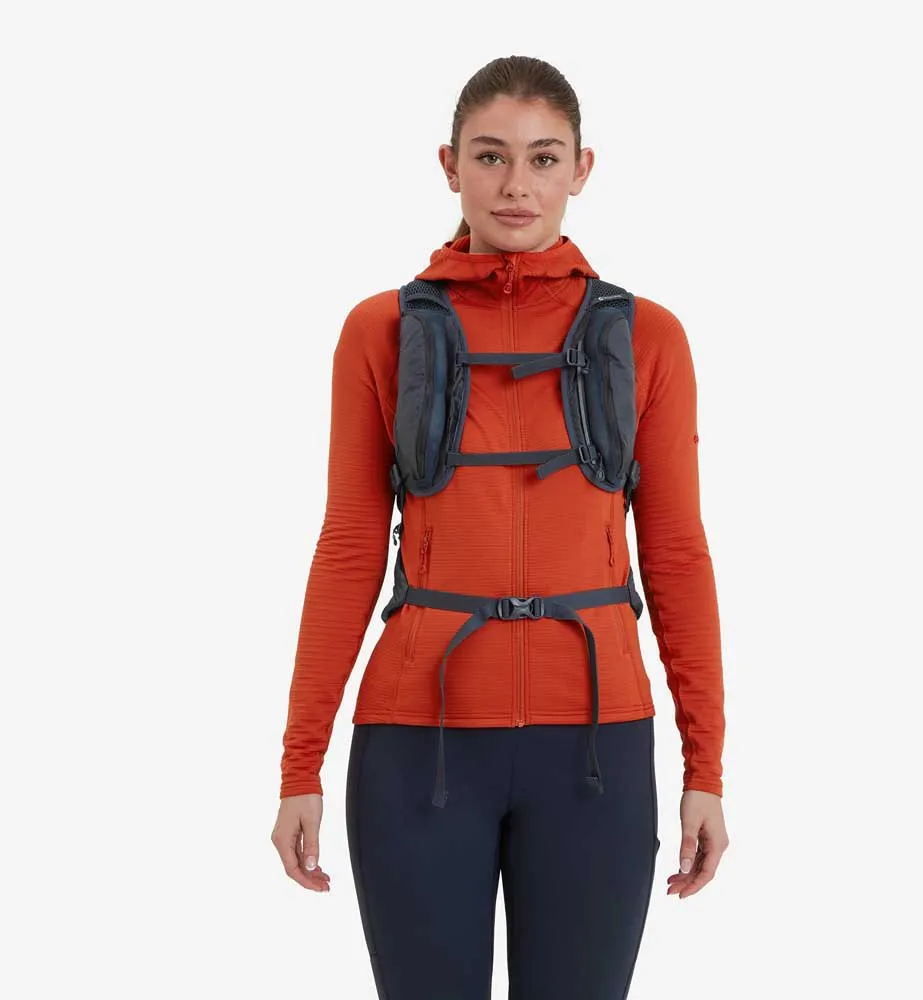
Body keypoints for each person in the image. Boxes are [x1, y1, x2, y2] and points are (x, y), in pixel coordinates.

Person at [271, 54, 729, 999]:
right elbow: (349, 548)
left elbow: (677, 554)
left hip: (597, 750)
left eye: (543, 157)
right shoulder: (380, 331)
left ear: (581, 169)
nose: (517, 183)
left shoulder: (649, 337)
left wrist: (706, 767)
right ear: (449, 165)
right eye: (490, 156)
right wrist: (298, 764)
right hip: (417, 745)